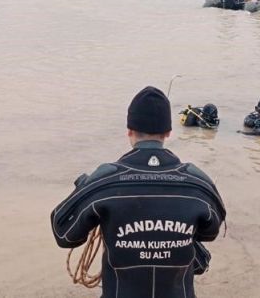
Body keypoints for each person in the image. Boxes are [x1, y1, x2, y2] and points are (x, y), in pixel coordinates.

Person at [50, 86, 226, 298]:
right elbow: (210, 231)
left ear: (129, 130)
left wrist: (83, 188)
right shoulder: (197, 183)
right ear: (168, 132)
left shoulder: (103, 182)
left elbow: (63, 234)